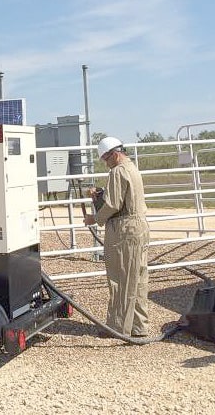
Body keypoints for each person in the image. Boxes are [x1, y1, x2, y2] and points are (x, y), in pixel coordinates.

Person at [84, 136, 150, 338]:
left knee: (120, 278)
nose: (106, 163)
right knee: (137, 277)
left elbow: (113, 204)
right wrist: (101, 194)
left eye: (106, 158)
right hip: (139, 226)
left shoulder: (118, 171)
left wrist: (95, 218)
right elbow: (122, 197)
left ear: (114, 154)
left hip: (124, 229)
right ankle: (138, 325)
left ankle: (118, 327)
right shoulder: (132, 168)